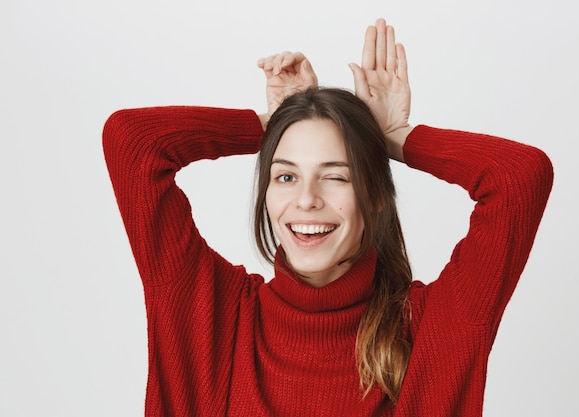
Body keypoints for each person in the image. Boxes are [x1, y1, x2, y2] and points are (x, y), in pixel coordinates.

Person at [103, 18, 553, 417]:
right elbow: (133, 143)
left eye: (336, 177)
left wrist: (393, 137)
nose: (306, 200)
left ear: (374, 195)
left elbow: (518, 178)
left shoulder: (431, 331)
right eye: (285, 177)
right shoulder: (211, 313)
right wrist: (272, 123)